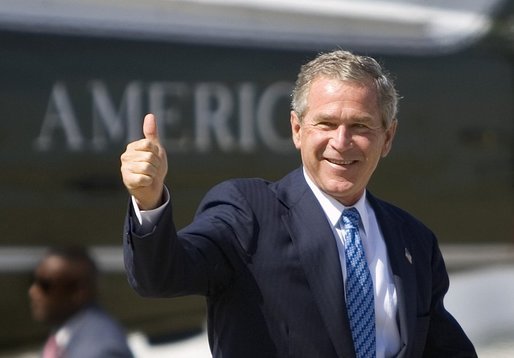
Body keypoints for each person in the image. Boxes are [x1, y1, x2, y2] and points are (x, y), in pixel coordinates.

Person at [120, 50, 477, 357]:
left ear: (388, 138)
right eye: (326, 123)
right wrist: (148, 201)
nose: (342, 141)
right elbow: (161, 277)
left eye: (360, 126)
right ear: (296, 129)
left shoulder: (412, 240)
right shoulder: (248, 212)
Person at [28, 246, 134, 358]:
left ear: (79, 292)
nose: (33, 292)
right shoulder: (63, 338)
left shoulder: (101, 348)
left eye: (45, 285)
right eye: (33, 282)